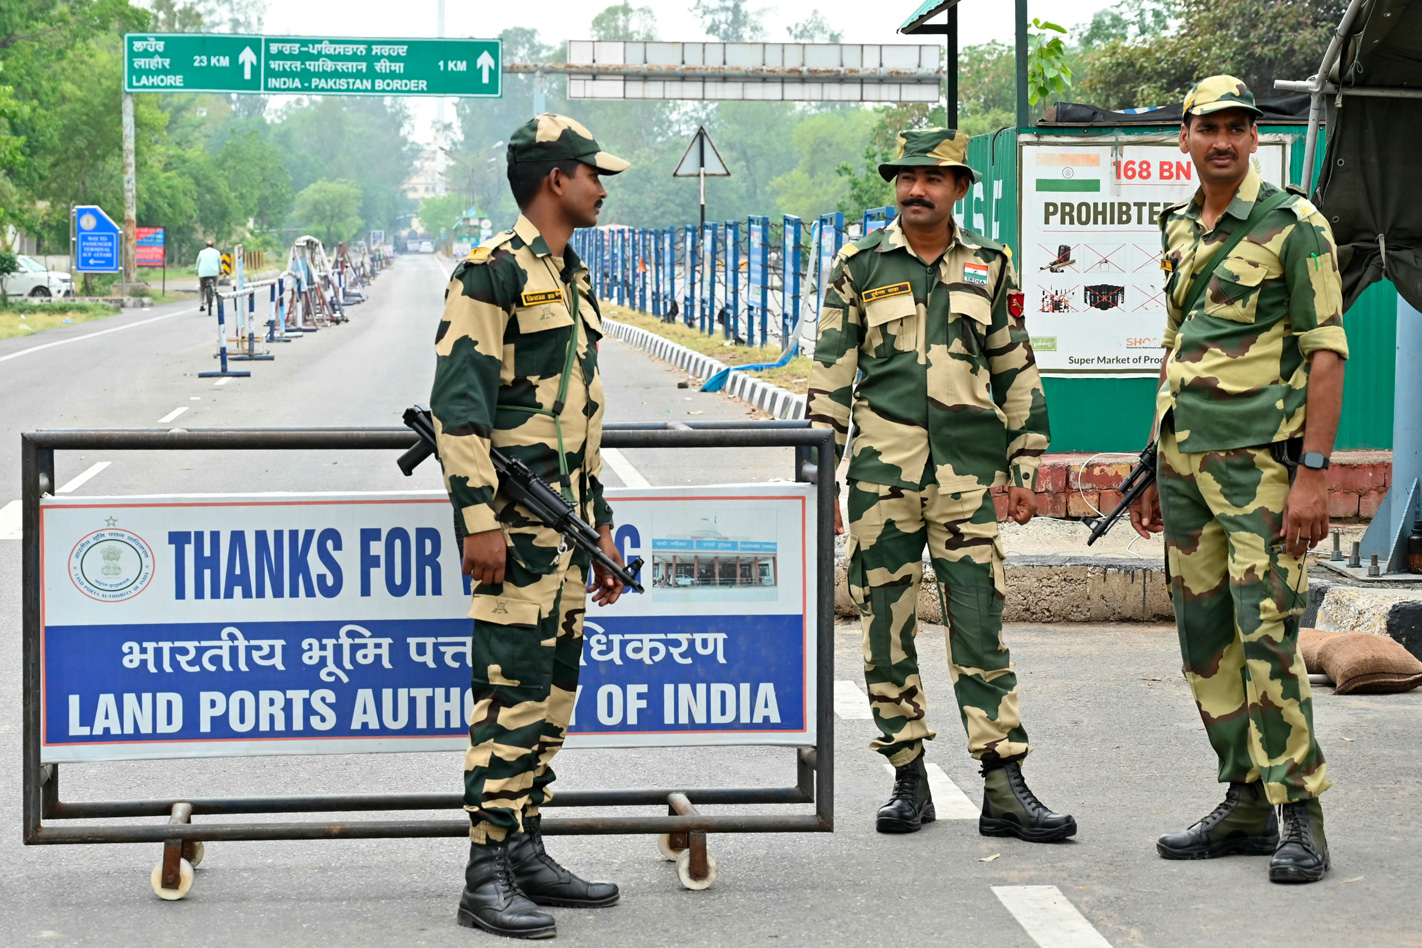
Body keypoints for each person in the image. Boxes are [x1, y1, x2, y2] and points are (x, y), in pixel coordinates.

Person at [807, 128, 1075, 842]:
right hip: (879, 480)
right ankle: (908, 779)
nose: (915, 189)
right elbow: (832, 376)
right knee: (884, 631)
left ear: (960, 188)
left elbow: (1014, 366)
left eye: (933, 177)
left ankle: (1003, 782)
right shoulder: (859, 265)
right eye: (905, 177)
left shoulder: (990, 266)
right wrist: (816, 480)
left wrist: (1023, 466)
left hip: (965, 478)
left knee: (979, 625)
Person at [1130, 76, 1347, 884]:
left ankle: (1301, 813)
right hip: (1186, 466)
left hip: (1262, 471)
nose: (1222, 140)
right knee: (1206, 642)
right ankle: (1247, 800)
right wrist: (1154, 460)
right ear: (1184, 137)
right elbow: (1179, 348)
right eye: (1207, 127)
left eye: (1237, 126)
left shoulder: (1295, 224)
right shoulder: (1180, 226)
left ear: (1256, 138)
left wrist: (1314, 476)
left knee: (1269, 641)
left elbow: (1326, 352)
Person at [430, 114, 631, 938]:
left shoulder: (571, 276)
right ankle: (484, 874)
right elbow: (458, 410)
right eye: (593, 173)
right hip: (513, 534)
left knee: (552, 701)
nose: (601, 187)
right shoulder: (491, 275)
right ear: (557, 180)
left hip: (566, 532)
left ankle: (526, 850)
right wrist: (477, 521)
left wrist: (604, 526)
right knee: (508, 701)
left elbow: (577, 423)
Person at [195, 239, 222, 313]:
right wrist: (221, 270)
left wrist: (196, 270)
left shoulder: (201, 252)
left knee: (202, 288)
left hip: (203, 273)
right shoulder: (217, 252)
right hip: (214, 273)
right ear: (213, 246)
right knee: (216, 280)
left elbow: (197, 263)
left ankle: (202, 304)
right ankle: (216, 289)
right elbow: (220, 263)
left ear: (206, 246)